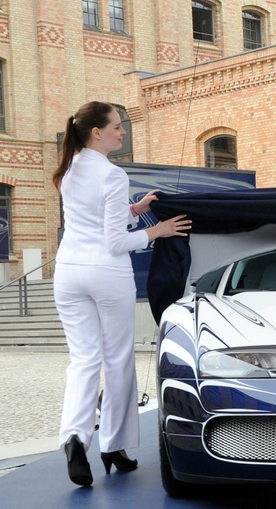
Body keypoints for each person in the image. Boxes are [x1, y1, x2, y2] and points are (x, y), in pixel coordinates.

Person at [52, 101, 192, 487]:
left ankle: (74, 438)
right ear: (97, 132)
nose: (122, 131)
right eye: (117, 126)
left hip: (68, 273)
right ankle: (114, 445)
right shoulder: (112, 174)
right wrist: (157, 230)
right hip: (106, 274)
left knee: (83, 360)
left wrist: (135, 209)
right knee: (117, 359)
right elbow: (114, 242)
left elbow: (92, 219)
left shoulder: (69, 168)